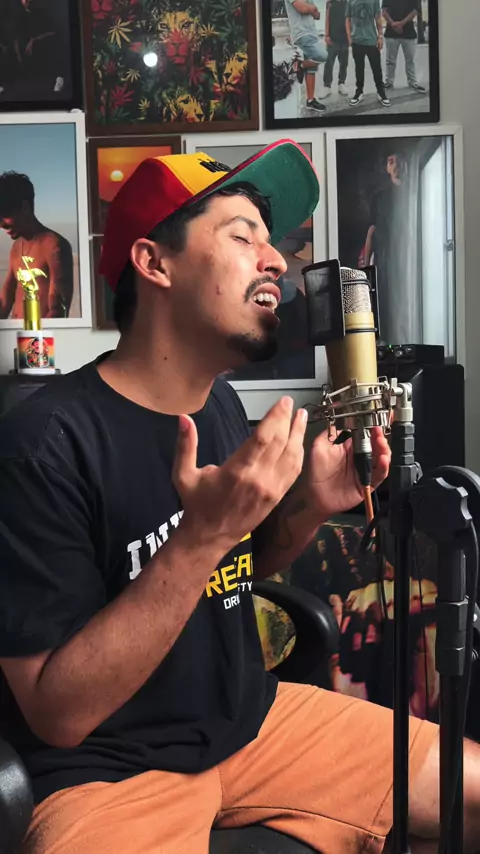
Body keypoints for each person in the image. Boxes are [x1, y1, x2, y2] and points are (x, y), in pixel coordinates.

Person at [0, 142, 479, 854]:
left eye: (269, 239)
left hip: (253, 725)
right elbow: (57, 714)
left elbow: (233, 570)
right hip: (109, 775)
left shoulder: (219, 404)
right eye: (242, 235)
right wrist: (199, 538)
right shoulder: (42, 445)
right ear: (154, 263)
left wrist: (309, 506)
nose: (277, 260)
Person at [0, 171, 73, 318]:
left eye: (5, 215)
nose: (1, 224)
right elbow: (6, 297)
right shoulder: (16, 248)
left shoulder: (54, 246)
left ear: (25, 207)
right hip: (19, 330)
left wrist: (36, 333)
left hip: (40, 332)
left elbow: (58, 310)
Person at [361, 150, 412, 343]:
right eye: (391, 161)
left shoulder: (414, 192)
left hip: (409, 252)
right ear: (387, 168)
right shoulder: (381, 197)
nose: (396, 165)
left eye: (399, 161)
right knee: (386, 297)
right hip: (386, 255)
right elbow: (372, 230)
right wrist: (366, 264)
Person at [285, 0, 328, 114]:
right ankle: (299, 65)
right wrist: (311, 9)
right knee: (323, 55)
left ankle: (310, 100)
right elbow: (303, 9)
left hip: (312, 34)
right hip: (301, 34)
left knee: (311, 69)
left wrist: (312, 9)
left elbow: (317, 15)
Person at [346, 0, 391, 107]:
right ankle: (359, 92)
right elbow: (347, 19)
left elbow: (378, 17)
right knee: (359, 68)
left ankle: (380, 92)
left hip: (372, 40)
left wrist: (380, 36)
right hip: (357, 40)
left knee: (376, 68)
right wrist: (349, 37)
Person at [382, 0, 427, 92]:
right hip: (391, 33)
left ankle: (412, 82)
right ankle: (389, 82)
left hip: (409, 33)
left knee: (410, 60)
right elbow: (384, 11)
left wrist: (401, 23)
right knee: (390, 61)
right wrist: (393, 24)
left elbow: (415, 11)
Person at [322, 0, 350, 98]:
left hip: (345, 39)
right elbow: (327, 19)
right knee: (329, 63)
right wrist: (326, 35)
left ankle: (341, 83)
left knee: (344, 63)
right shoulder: (330, 3)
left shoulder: (347, 3)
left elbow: (350, 20)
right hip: (332, 39)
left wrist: (350, 37)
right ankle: (327, 86)